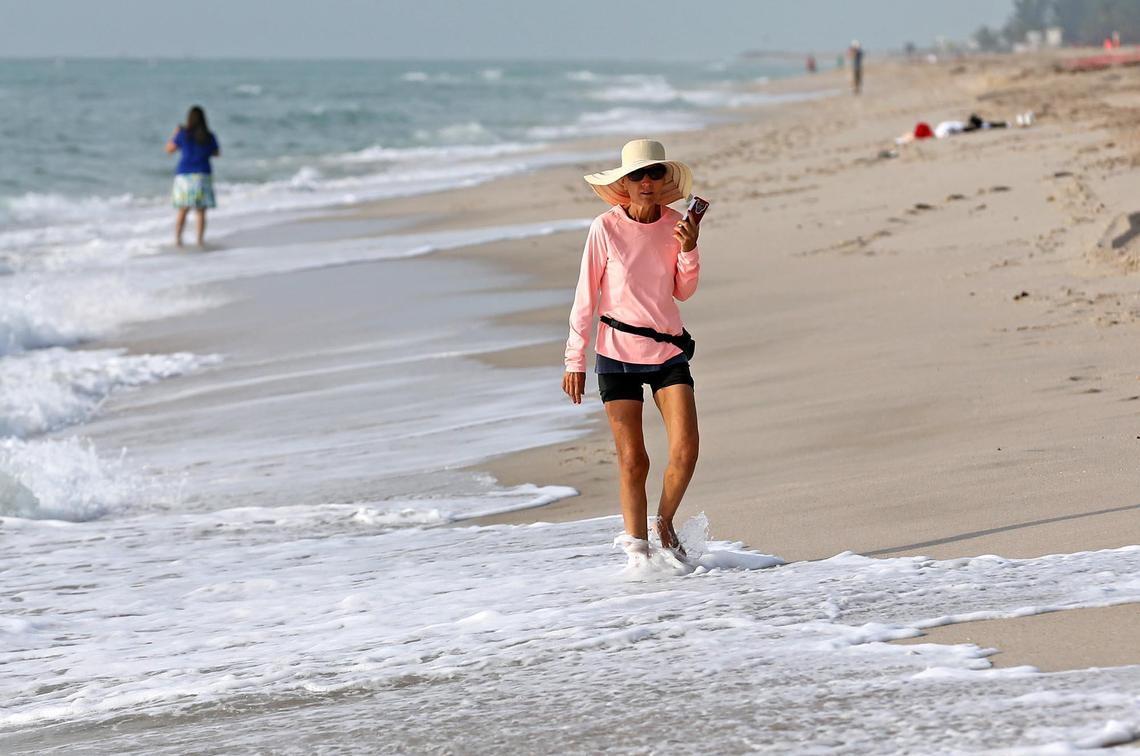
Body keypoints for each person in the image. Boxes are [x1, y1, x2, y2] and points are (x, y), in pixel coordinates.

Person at [562, 139, 701, 565]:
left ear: (665, 181)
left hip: (667, 351)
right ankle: (638, 558)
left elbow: (684, 291)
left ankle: (664, 521)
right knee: (633, 459)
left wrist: (689, 248)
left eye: (655, 173)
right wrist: (575, 359)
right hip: (616, 353)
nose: (646, 181)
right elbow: (585, 296)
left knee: (685, 449)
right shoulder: (604, 228)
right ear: (624, 183)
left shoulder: (678, 224)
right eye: (637, 175)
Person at [165, 105, 220, 247]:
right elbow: (217, 153)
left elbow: (169, 149)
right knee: (201, 211)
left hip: (185, 175)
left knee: (183, 209)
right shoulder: (209, 135)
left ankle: (178, 239)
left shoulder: (183, 134)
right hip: (202, 174)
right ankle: (200, 240)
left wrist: (175, 133)